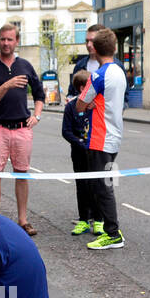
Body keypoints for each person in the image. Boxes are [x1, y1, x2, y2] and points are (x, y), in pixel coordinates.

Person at [0, 23, 44, 236]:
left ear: (17, 41)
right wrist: (8, 84)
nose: (6, 43)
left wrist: (37, 116)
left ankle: (23, 220)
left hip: (22, 128)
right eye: (3, 39)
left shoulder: (25, 65)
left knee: (22, 174)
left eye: (10, 39)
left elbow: (40, 94)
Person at [77, 27, 128, 250]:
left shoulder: (97, 75)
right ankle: (112, 227)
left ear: (95, 49)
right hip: (114, 136)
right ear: (115, 48)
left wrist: (89, 103)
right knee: (106, 183)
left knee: (102, 186)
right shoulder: (119, 71)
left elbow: (80, 104)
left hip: (99, 137)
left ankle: (112, 233)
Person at [62, 69, 97, 236]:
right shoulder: (71, 107)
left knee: (97, 186)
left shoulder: (96, 105)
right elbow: (66, 131)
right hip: (79, 153)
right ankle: (83, 220)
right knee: (82, 186)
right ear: (83, 87)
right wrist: (80, 143)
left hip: (95, 152)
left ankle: (98, 220)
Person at [65, 23, 107, 105]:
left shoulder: (115, 66)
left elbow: (123, 99)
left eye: (92, 41)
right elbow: (72, 92)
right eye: (87, 41)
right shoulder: (80, 65)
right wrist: (70, 99)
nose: (89, 45)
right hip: (83, 116)